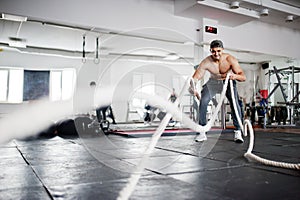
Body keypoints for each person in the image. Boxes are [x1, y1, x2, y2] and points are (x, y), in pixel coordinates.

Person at [189, 40, 246, 143]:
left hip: (228, 82)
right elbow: (196, 76)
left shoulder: (230, 59)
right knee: (203, 101)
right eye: (213, 51)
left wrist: (235, 76)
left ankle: (238, 131)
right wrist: (193, 85)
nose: (216, 54)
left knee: (235, 104)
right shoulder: (206, 61)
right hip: (213, 82)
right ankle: (202, 132)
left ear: (222, 50)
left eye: (218, 51)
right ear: (211, 51)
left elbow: (243, 77)